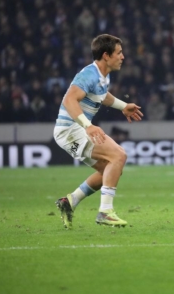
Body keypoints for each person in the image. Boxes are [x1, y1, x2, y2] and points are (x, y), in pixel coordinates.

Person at [54, 34, 143, 229]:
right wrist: (88, 125)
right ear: (106, 55)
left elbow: (102, 95)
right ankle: (105, 212)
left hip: (75, 129)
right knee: (119, 156)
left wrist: (123, 106)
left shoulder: (102, 76)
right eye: (119, 53)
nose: (123, 57)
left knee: (109, 171)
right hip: (70, 129)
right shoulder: (89, 75)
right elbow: (69, 100)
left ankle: (69, 201)